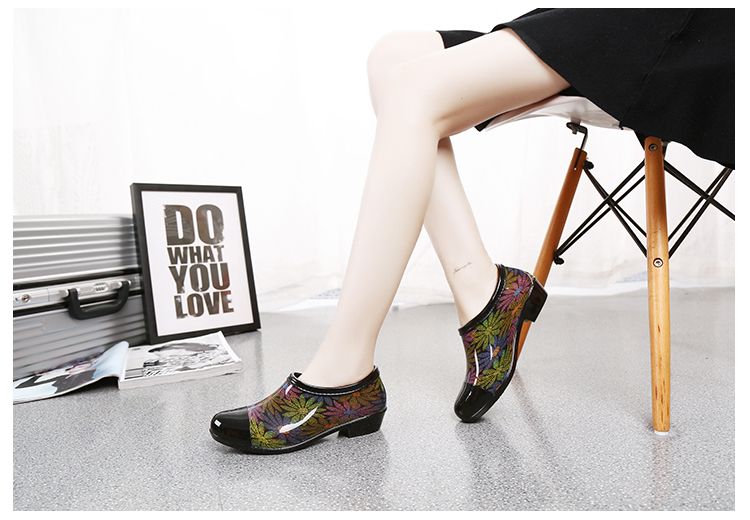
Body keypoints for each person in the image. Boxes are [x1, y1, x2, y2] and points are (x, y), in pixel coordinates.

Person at [209, 8, 735, 454]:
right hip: (611, 20)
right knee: (391, 58)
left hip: (691, 31)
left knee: (412, 88)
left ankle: (345, 372)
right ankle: (484, 291)